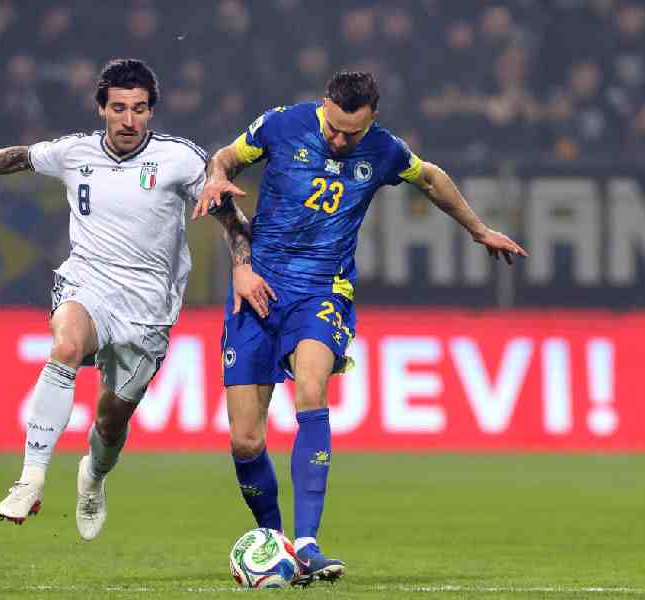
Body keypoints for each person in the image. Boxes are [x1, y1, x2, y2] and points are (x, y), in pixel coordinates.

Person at [193, 71, 527, 585]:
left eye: (352, 134)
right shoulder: (282, 125)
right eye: (334, 128)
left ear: (372, 119)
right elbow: (225, 158)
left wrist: (480, 231)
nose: (339, 140)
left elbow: (432, 178)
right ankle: (276, 543)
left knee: (310, 386)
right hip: (259, 285)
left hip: (323, 290)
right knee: (244, 440)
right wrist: (216, 178)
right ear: (325, 104)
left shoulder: (385, 151)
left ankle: (307, 543)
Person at [0, 58, 255, 540]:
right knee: (67, 346)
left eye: (139, 109)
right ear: (102, 108)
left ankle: (93, 476)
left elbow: (231, 217)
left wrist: (241, 267)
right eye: (119, 108)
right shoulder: (75, 153)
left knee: (112, 420)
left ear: (151, 112)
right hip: (88, 282)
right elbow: (20, 156)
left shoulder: (180, 158)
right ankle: (30, 478)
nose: (129, 120)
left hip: (150, 307)